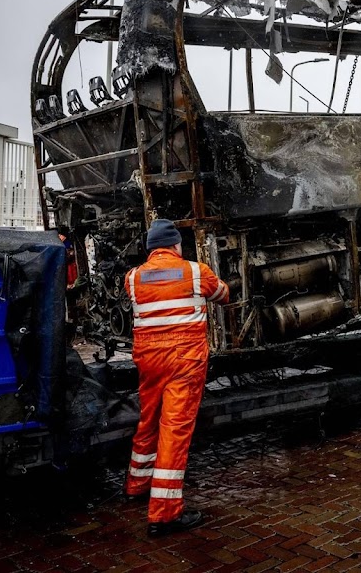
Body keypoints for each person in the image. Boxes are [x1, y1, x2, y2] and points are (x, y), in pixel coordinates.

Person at [123, 219, 229, 536]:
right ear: (175, 245)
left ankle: (136, 484)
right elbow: (223, 294)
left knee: (150, 420)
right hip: (184, 362)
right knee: (174, 430)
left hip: (149, 361)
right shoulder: (197, 272)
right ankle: (165, 514)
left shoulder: (133, 278)